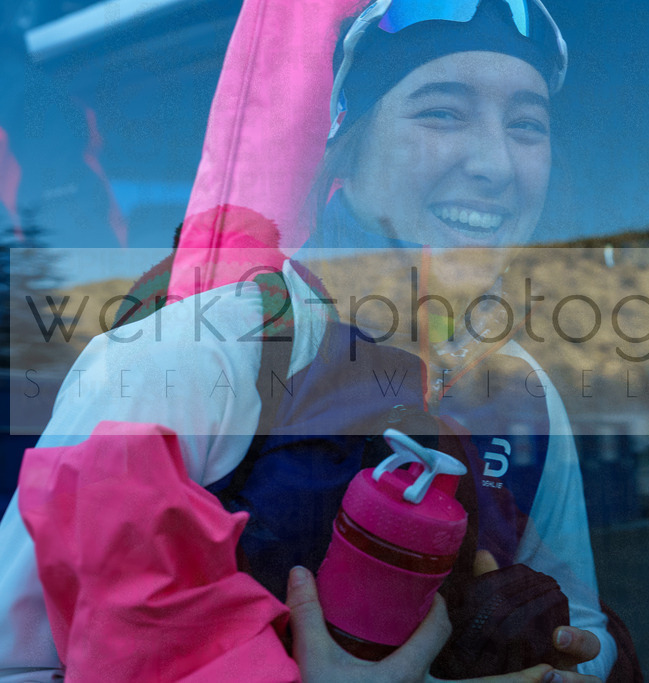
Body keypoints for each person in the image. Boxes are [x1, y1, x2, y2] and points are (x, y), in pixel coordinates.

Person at [0, 1, 617, 681]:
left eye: (527, 125)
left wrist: (557, 662)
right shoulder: (187, 359)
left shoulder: (522, 391)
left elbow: (586, 625)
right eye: (442, 112)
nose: (496, 163)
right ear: (346, 143)